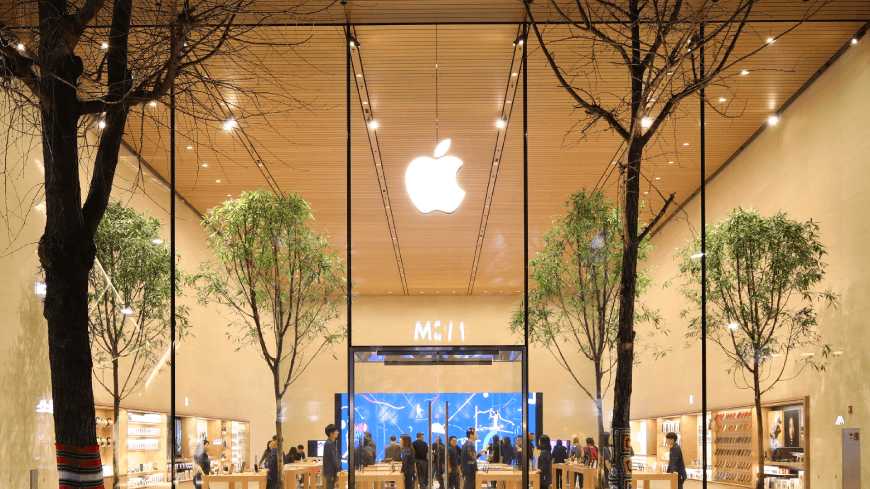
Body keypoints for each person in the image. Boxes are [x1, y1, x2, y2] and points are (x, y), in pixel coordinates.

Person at [323, 424, 340, 489]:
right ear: (331, 433)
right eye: (336, 431)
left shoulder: (330, 443)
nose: (338, 432)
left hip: (331, 472)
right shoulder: (329, 444)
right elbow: (334, 459)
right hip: (331, 472)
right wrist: (338, 469)